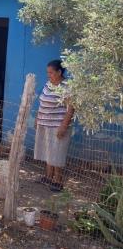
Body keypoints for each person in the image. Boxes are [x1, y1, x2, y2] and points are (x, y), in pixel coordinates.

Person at [34, 60, 74, 192]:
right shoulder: (48, 83)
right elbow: (42, 101)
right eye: (48, 72)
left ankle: (58, 180)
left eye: (51, 72)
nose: (48, 75)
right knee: (47, 151)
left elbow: (70, 109)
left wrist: (63, 126)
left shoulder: (67, 86)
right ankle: (48, 176)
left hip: (58, 125)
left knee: (57, 152)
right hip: (45, 123)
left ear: (59, 72)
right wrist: (37, 118)